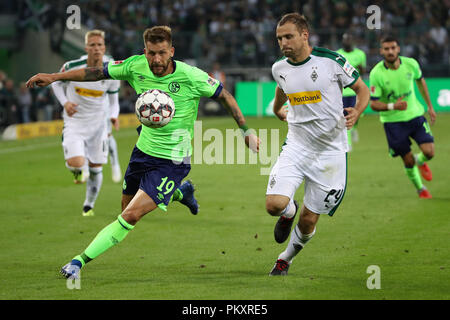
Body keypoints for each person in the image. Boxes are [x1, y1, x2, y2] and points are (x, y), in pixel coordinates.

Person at [26, 26, 260, 279]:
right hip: (142, 152)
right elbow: (95, 72)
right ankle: (181, 192)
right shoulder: (134, 66)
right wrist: (55, 76)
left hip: (172, 161)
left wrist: (245, 130)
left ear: (171, 51)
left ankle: (77, 262)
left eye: (161, 53)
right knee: (125, 207)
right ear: (144, 51)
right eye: (151, 53)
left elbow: (224, 95)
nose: (156, 60)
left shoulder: (191, 76)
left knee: (130, 216)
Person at [265, 13, 369, 276]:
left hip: (330, 153)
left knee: (310, 219)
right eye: (279, 38)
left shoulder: (332, 61)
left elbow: (362, 90)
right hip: (296, 147)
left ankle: (285, 258)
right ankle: (288, 212)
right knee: (274, 205)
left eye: (288, 36)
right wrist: (278, 110)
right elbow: (281, 89)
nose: (283, 42)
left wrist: (357, 111)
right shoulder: (279, 68)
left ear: (304, 35)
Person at [51, 30, 121, 217]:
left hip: (98, 125)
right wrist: (65, 102)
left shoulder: (112, 70)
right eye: (92, 45)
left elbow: (114, 101)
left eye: (99, 45)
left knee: (96, 168)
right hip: (75, 122)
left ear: (104, 47)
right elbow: (55, 82)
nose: (96, 48)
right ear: (86, 48)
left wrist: (114, 116)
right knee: (76, 163)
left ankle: (88, 205)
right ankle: (78, 170)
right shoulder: (72, 66)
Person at [369, 35, 436, 199]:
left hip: (414, 115)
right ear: (381, 51)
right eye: (386, 49)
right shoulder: (376, 73)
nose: (390, 51)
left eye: (393, 48)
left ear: (398, 49)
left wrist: (430, 106)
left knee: (429, 152)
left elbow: (421, 82)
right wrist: (393, 106)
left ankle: (421, 161)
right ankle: (421, 189)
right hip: (393, 122)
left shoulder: (411, 64)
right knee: (408, 161)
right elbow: (373, 104)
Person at [337, 33, 367, 150]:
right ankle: (348, 142)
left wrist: (360, 68)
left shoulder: (360, 54)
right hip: (343, 92)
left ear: (353, 41)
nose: (347, 42)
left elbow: (363, 72)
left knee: (357, 115)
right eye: (345, 40)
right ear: (343, 41)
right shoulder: (338, 54)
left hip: (355, 92)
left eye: (349, 39)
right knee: (345, 117)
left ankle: (354, 129)